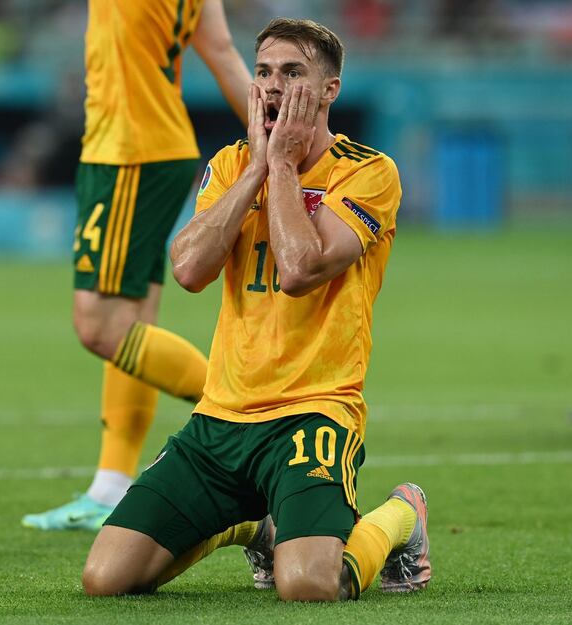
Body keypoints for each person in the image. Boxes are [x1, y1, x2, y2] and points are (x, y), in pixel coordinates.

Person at [81, 18, 431, 600]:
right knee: (106, 578)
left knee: (309, 584)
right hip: (222, 416)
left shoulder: (369, 172)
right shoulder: (229, 165)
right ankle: (252, 524)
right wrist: (256, 169)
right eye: (265, 72)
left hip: (313, 414)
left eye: (293, 73)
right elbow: (189, 270)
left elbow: (300, 271)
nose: (274, 85)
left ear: (329, 90)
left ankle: (401, 517)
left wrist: (286, 166)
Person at [22, 0, 251, 531]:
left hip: (128, 149)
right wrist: (277, 138)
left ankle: (244, 408)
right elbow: (220, 50)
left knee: (101, 327)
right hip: (157, 146)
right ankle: (110, 486)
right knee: (132, 322)